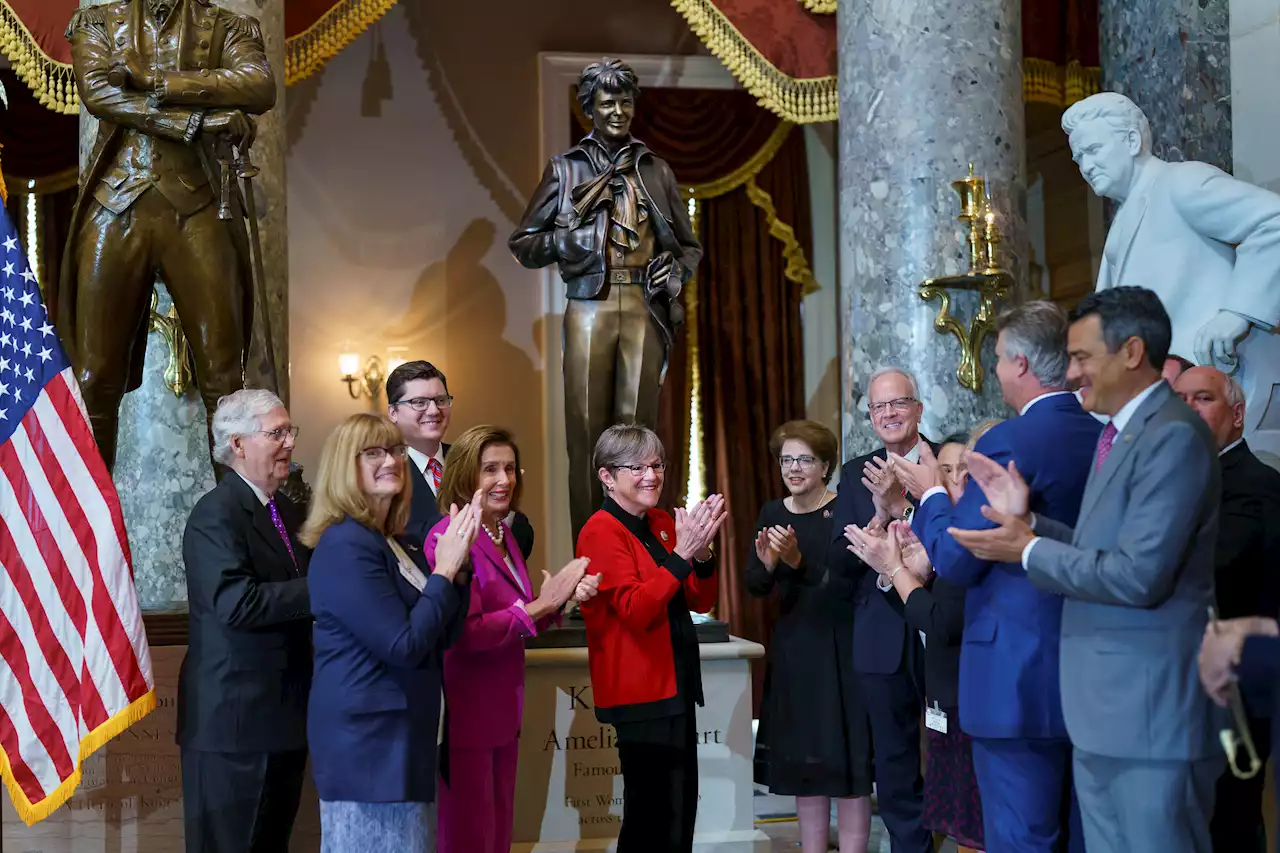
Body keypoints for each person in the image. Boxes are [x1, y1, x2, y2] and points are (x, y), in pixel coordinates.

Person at [950, 287, 1223, 853]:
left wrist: (1026, 550)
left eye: (1082, 358)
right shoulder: (1116, 433)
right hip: (1104, 710)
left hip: (1148, 711)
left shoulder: (1170, 435)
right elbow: (1099, 548)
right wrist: (1031, 525)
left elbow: (1136, 576)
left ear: (1130, 351)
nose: (1071, 374)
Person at [888, 302, 1098, 853]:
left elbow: (958, 559)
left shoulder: (1011, 441)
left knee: (1021, 839)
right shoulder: (1101, 434)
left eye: (1001, 358)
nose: (999, 370)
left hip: (1015, 672)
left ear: (1023, 364)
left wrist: (932, 492)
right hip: (1091, 665)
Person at [58, 0, 279, 469]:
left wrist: (159, 83)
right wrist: (195, 120)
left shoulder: (229, 26)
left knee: (226, 383)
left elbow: (259, 86)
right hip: (116, 202)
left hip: (199, 205)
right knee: (95, 377)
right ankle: (94, 531)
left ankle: (237, 526)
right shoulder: (98, 23)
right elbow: (99, 94)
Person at [509, 58, 701, 538]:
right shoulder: (566, 169)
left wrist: (673, 271)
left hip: (642, 304)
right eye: (607, 102)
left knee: (638, 441)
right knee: (588, 439)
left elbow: (689, 246)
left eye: (626, 101)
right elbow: (525, 243)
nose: (619, 110)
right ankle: (591, 558)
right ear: (589, 108)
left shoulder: (655, 170)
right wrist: (563, 243)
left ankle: (639, 552)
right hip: (588, 305)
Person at [301, 414, 477, 852]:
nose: (392, 460)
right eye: (373, 453)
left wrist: (456, 573)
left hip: (403, 741)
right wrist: (445, 569)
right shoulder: (345, 543)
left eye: (396, 451)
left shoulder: (391, 541)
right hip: (370, 748)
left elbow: (441, 634)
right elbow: (403, 644)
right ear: (346, 466)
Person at [425, 425, 597, 853]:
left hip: (503, 708)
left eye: (509, 468)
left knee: (499, 832)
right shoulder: (447, 537)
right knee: (470, 836)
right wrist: (540, 605)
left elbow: (522, 618)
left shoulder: (503, 534)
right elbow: (466, 633)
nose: (504, 480)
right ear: (465, 476)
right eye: (490, 470)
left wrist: (561, 600)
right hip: (466, 713)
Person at [577, 424, 725, 853]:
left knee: (679, 810)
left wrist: (701, 554)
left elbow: (699, 600)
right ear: (607, 477)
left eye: (657, 465)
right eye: (637, 467)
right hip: (638, 692)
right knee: (649, 816)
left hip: (675, 682)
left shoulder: (661, 521)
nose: (651, 475)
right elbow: (636, 610)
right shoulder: (601, 530)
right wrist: (682, 556)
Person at [178, 390, 311, 853]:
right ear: (237, 444)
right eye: (276, 433)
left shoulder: (290, 513)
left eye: (289, 431)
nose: (289, 442)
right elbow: (237, 603)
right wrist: (328, 586)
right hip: (233, 727)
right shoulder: (215, 514)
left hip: (284, 719)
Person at [747, 420, 873, 853]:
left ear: (824, 466)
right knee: (807, 766)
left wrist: (797, 560)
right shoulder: (772, 511)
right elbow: (756, 586)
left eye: (804, 459)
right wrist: (767, 563)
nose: (793, 468)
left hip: (841, 648)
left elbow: (843, 583)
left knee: (848, 766)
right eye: (786, 460)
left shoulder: (844, 509)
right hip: (795, 649)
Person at [827, 366, 933, 853]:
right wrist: (876, 517)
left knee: (957, 753)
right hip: (882, 633)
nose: (889, 414)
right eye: (879, 407)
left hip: (942, 630)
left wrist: (905, 507)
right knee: (893, 761)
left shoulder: (943, 463)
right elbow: (838, 567)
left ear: (918, 408)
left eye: (898, 403)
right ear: (870, 416)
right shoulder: (854, 473)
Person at [1175, 365, 1280, 852]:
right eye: (1182, 400)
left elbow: (1214, 570)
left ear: (1237, 415)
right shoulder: (1185, 478)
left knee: (1230, 825)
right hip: (1183, 687)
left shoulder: (1255, 483)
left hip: (1234, 689)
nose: (1189, 410)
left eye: (1203, 399)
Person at [845, 497, 983, 853]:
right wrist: (905, 576)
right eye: (949, 472)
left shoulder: (971, 545)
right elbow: (920, 610)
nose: (958, 484)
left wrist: (897, 571)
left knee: (975, 819)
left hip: (972, 695)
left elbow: (941, 620)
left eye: (963, 473)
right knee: (952, 811)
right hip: (941, 698)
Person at [386, 360, 534, 559]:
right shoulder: (386, 471)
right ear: (393, 412)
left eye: (440, 400)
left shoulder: (470, 458)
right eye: (419, 402)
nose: (433, 411)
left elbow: (517, 530)